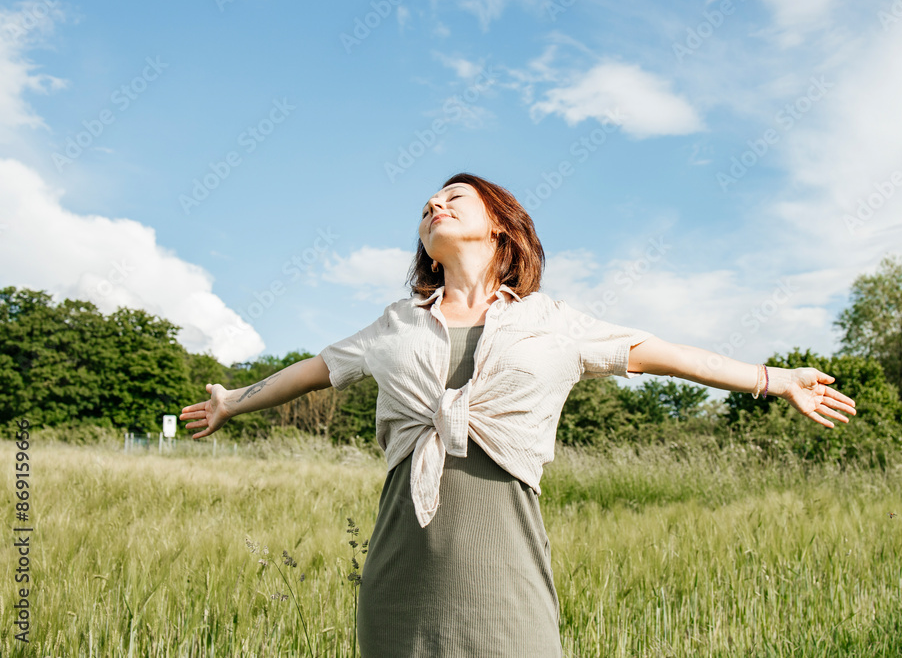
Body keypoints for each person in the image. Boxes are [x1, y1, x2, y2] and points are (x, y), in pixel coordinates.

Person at [180, 173, 857, 657]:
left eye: (452, 198)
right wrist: (233, 401)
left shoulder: (551, 322)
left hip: (505, 579)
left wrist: (773, 379)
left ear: (499, 223)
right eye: (426, 205)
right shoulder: (395, 323)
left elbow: (662, 353)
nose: (433, 205)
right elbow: (318, 367)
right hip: (398, 577)